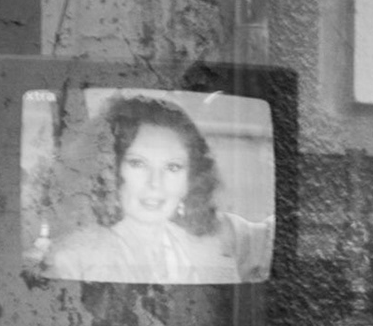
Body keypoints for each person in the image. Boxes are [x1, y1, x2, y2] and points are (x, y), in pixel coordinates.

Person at [42, 94, 272, 284]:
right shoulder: (69, 260)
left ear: (190, 179)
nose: (156, 183)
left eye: (173, 167)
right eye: (138, 163)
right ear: (110, 170)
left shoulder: (214, 246)